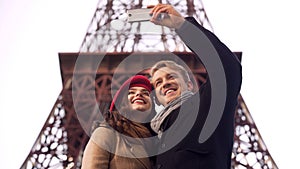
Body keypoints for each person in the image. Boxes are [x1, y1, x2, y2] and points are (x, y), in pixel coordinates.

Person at [148, 4, 242, 169]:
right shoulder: (156, 140)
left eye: (171, 76)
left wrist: (181, 25)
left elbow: (226, 68)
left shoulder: (206, 107)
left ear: (189, 84)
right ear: (157, 96)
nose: (165, 83)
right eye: (158, 83)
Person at [81, 75, 156, 169]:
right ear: (122, 104)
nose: (139, 94)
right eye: (131, 92)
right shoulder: (106, 133)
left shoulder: (157, 144)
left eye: (146, 93)